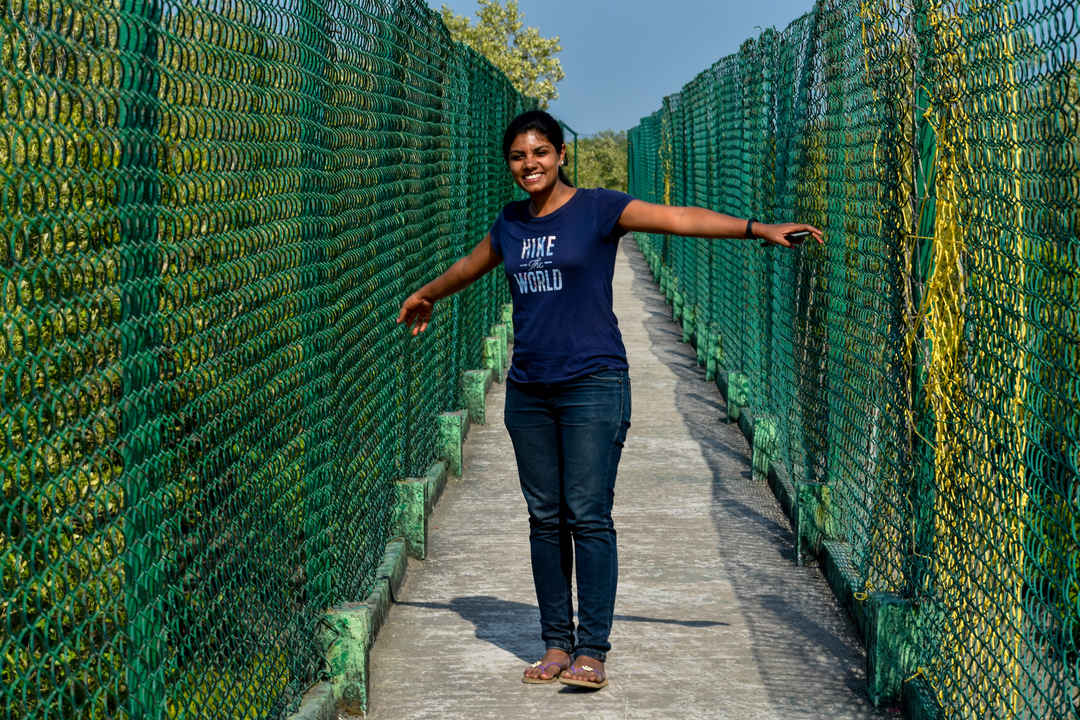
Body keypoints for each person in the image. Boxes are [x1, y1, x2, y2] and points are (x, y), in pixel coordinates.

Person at [397, 110, 823, 690]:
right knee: (545, 519)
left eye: (541, 153)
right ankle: (555, 644)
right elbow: (470, 267)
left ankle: (592, 649)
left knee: (587, 514)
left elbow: (678, 218)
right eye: (520, 157)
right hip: (529, 391)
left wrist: (755, 227)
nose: (530, 165)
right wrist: (426, 294)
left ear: (560, 155)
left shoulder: (598, 208)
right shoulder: (510, 224)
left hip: (593, 383)